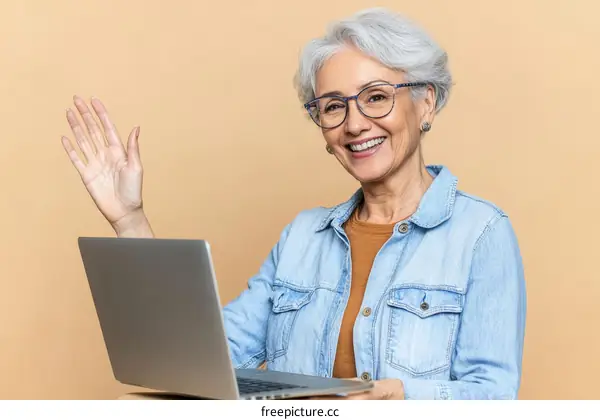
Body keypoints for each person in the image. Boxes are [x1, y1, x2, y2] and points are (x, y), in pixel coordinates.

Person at [61, 7, 526, 400]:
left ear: (426, 103)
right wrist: (130, 219)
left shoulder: (481, 232)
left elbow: (495, 395)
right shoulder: (303, 237)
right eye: (333, 106)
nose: (355, 124)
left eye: (376, 97)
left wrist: (403, 397)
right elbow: (198, 360)